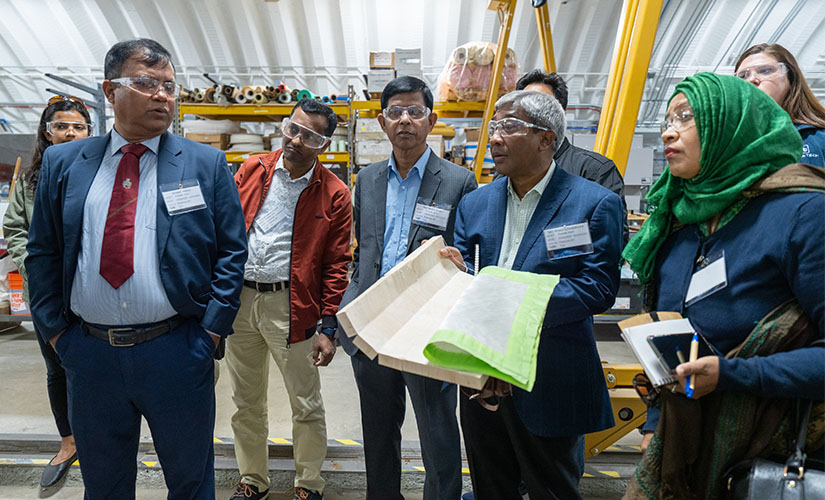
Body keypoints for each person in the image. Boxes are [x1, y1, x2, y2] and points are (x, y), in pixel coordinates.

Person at [26, 38, 248, 499]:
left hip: (177, 350)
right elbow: (42, 251)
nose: (162, 94)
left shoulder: (204, 164)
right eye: (145, 83)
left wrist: (210, 333)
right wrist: (56, 334)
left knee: (191, 482)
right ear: (110, 91)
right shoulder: (65, 163)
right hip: (89, 355)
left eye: (169, 85)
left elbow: (232, 251)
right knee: (105, 486)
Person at [622, 73, 824, 499]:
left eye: (686, 117)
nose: (668, 130)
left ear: (732, 124)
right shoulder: (679, 225)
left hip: (770, 451)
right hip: (683, 449)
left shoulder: (803, 213)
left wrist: (733, 374)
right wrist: (655, 423)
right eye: (666, 119)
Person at [439, 90, 623, 499]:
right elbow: (468, 278)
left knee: (551, 489)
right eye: (495, 126)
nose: (495, 137)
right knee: (491, 487)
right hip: (481, 376)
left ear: (546, 139)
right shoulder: (475, 203)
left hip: (550, 375)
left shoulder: (593, 203)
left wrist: (506, 300)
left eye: (509, 126)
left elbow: (596, 288)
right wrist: (452, 274)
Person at [337, 75, 477, 500]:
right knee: (378, 431)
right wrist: (350, 312)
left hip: (427, 325)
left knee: (437, 431)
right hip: (373, 320)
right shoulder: (369, 179)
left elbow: (467, 256)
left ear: (431, 120)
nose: (405, 120)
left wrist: (461, 264)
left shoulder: (458, 182)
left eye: (415, 111)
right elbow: (364, 251)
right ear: (382, 123)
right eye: (395, 111)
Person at [227, 98, 352, 500]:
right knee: (245, 401)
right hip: (241, 302)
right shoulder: (253, 169)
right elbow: (225, 229)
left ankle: (308, 483)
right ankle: (253, 480)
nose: (297, 140)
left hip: (292, 306)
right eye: (293, 128)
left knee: (305, 402)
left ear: (325, 143)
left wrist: (328, 326)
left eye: (311, 136)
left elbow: (337, 264)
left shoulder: (334, 193)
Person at [2, 96, 91, 489]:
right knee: (56, 368)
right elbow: (16, 230)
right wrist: (35, 266)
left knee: (94, 367)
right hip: (46, 290)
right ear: (46, 131)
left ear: (89, 132)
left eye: (78, 127)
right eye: (61, 126)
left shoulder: (100, 172)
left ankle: (99, 440)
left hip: (91, 289)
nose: (70, 133)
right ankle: (69, 441)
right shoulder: (29, 180)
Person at [735, 43, 825, 167]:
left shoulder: (819, 137)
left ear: (791, 78)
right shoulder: (729, 144)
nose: (751, 79)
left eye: (765, 71)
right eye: (743, 76)